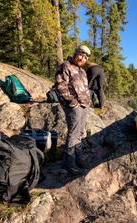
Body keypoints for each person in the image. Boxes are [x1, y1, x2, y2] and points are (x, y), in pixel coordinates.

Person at [55, 45, 92, 175]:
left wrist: (88, 102)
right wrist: (72, 102)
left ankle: (79, 158)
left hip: (84, 105)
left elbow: (85, 89)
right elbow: (60, 86)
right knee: (73, 133)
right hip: (74, 106)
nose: (83, 58)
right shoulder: (65, 65)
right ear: (76, 53)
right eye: (81, 54)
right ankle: (69, 163)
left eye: (86, 57)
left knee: (80, 133)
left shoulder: (82, 71)